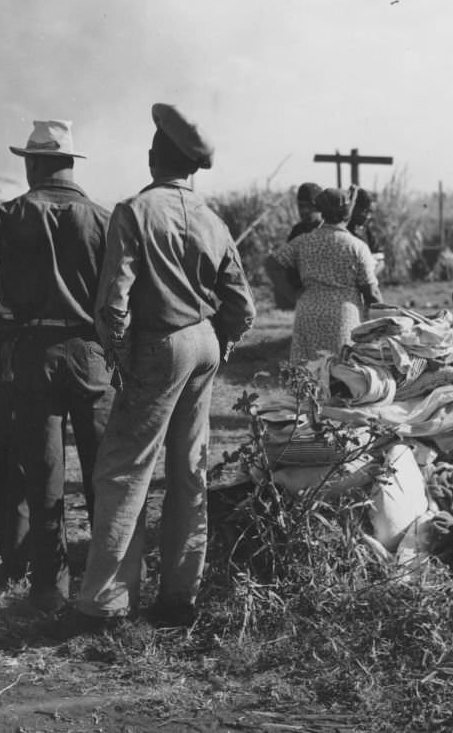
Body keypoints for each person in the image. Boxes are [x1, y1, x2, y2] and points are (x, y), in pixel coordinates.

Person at [76, 103, 256, 627]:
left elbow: (113, 302)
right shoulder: (212, 218)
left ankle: (105, 603)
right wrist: (221, 345)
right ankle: (180, 598)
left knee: (124, 470)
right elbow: (241, 304)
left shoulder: (134, 211)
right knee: (189, 469)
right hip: (202, 344)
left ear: (154, 156)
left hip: (160, 344)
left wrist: (121, 359)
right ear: (193, 167)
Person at [0, 119, 114, 612]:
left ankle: (48, 590)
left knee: (43, 478)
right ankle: (108, 589)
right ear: (70, 164)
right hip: (91, 355)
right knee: (104, 475)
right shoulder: (104, 220)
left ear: (32, 164)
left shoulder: (7, 216)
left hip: (32, 354)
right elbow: (126, 294)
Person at [269, 187, 382, 362]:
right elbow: (371, 293)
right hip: (343, 317)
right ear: (348, 213)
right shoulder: (357, 247)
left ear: (322, 211)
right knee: (341, 374)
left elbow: (273, 264)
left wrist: (291, 295)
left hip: (308, 312)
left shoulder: (304, 241)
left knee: (307, 375)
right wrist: (385, 324)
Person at [266, 182, 323, 310]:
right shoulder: (298, 230)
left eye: (309, 207)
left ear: (319, 207)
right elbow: (282, 264)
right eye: (301, 206)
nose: (304, 211)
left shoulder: (330, 230)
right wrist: (294, 296)